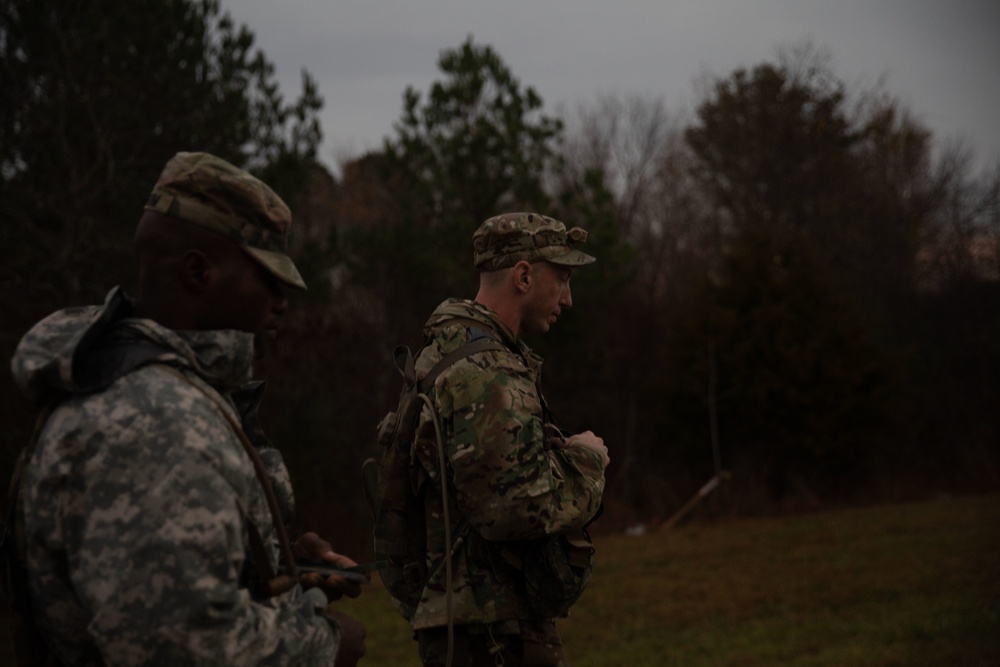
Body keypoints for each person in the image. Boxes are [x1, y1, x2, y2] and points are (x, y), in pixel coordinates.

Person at [9, 152, 366, 666]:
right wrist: (324, 646)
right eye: (268, 277)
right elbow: (180, 644)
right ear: (197, 271)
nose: (283, 300)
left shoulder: (161, 392)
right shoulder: (152, 420)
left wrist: (273, 562)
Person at [404, 212, 610, 667]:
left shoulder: (442, 354)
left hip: (470, 625)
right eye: (562, 278)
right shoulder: (488, 372)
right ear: (523, 275)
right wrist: (588, 462)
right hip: (496, 633)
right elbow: (515, 507)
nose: (568, 299)